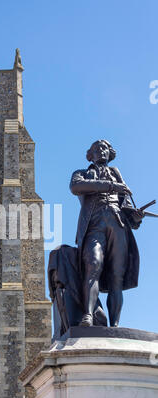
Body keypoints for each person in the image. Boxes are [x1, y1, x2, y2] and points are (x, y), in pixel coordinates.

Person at [70, 140, 143, 327]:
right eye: (97, 149)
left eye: (104, 149)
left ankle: (115, 324)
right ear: (90, 155)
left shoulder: (117, 176)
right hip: (94, 225)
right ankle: (88, 315)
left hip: (118, 224)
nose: (101, 151)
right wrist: (111, 186)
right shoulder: (82, 173)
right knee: (93, 266)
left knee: (116, 276)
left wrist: (136, 216)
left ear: (110, 153)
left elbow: (127, 207)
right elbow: (76, 187)